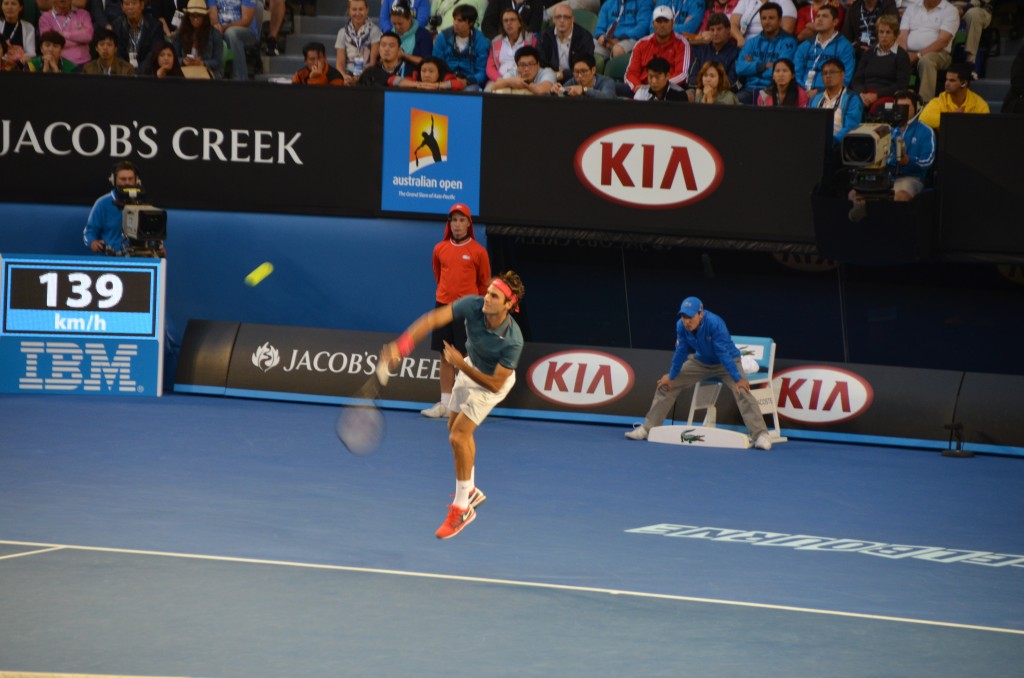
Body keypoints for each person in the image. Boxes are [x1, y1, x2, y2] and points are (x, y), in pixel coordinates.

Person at [382, 271, 526, 540]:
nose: (487, 298)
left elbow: (495, 385)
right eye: (488, 292)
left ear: (508, 304)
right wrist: (401, 346)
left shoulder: (513, 340)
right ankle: (470, 489)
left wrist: (459, 364)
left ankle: (462, 508)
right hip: (470, 366)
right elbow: (432, 319)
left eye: (494, 296)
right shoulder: (473, 305)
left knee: (459, 435)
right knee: (454, 427)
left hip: (492, 382)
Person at [624, 296, 772, 451]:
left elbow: (723, 353)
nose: (686, 321)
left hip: (726, 362)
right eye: (683, 316)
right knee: (666, 385)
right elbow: (681, 352)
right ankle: (647, 428)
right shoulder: (681, 326)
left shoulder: (715, 323)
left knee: (742, 390)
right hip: (700, 362)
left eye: (690, 316)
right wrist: (672, 376)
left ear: (700, 314)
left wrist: (737, 378)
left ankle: (761, 435)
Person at [420, 204, 492, 419]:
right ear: (449, 224)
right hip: (443, 307)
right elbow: (438, 276)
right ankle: (444, 404)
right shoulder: (439, 249)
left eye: (462, 220)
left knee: (469, 359)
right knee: (445, 357)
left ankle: (470, 405)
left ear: (469, 223)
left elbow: (485, 284)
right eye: (454, 220)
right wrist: (447, 297)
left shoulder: (478, 251)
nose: (457, 225)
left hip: (467, 311)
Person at [84, 161, 165, 257]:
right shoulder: (102, 203)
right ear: (114, 180)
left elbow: (153, 233)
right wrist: (92, 242)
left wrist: (159, 248)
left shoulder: (144, 204)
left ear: (137, 180)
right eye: (123, 179)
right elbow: (89, 231)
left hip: (137, 259)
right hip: (109, 259)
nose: (127, 182)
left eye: (130, 179)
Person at [897, 0, 959, 102]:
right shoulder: (912, 9)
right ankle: (894, 101)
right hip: (909, 52)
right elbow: (902, 36)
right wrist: (904, 55)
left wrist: (918, 55)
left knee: (926, 61)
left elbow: (943, 41)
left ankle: (925, 105)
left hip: (939, 53)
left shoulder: (950, 10)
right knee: (891, 57)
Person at [735, 2, 796, 103]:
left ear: (780, 20)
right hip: (750, 88)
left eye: (771, 18)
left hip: (773, 89)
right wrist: (764, 65)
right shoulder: (752, 42)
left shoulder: (788, 42)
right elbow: (739, 68)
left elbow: (782, 70)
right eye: (764, 18)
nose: (767, 22)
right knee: (732, 103)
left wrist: (753, 65)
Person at [849, 14, 909, 112]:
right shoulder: (868, 53)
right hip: (865, 95)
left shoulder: (901, 56)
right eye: (881, 32)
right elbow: (856, 80)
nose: (884, 36)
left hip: (886, 95)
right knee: (851, 104)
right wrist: (862, 94)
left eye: (888, 32)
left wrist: (876, 95)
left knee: (877, 108)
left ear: (895, 35)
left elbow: (901, 84)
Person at [793, 4, 855, 98]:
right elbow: (796, 72)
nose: (819, 19)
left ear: (835, 22)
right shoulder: (804, 46)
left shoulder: (845, 47)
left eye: (825, 16)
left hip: (830, 94)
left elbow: (845, 78)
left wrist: (820, 92)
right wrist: (803, 92)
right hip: (803, 94)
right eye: (818, 16)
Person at [625, 5, 691, 93]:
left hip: (668, 90)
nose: (662, 25)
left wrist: (659, 86)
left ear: (673, 23)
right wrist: (637, 87)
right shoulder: (641, 43)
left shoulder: (682, 43)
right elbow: (631, 73)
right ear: (653, 24)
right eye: (658, 21)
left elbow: (682, 74)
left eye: (666, 21)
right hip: (640, 88)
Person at [431, 3, 488, 90]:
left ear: (471, 23)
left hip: (469, 82)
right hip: (446, 79)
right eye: (454, 19)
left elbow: (482, 71)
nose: (455, 23)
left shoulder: (481, 41)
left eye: (460, 21)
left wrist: (467, 81)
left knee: (471, 90)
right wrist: (447, 79)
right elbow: (436, 63)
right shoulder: (443, 37)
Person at [918, 62, 990, 129]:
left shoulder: (979, 104)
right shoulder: (940, 100)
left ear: (964, 83)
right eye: (946, 79)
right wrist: (951, 117)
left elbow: (985, 126)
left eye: (952, 80)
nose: (947, 83)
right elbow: (923, 118)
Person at [538, 1, 593, 84]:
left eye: (566, 17)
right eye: (558, 17)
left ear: (572, 19)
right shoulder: (545, 36)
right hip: (550, 80)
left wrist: (562, 75)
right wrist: (550, 75)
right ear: (553, 19)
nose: (562, 20)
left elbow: (585, 66)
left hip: (577, 80)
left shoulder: (584, 37)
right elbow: (540, 62)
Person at [809, 57, 863, 142]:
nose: (828, 76)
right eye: (825, 73)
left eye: (832, 72)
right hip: (814, 143)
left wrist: (832, 141)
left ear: (842, 74)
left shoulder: (852, 98)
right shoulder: (815, 98)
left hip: (838, 146)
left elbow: (851, 128)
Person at [686, 12, 738, 96]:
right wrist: (703, 89)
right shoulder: (700, 51)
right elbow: (692, 78)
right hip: (699, 91)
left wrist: (712, 90)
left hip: (723, 93)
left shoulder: (735, 53)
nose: (715, 33)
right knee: (687, 95)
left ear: (728, 30)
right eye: (712, 30)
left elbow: (732, 81)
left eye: (719, 29)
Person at [210, 0, 258, 81]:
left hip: (246, 33)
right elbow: (213, 18)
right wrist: (217, 27)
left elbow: (246, 20)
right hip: (221, 32)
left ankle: (240, 80)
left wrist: (223, 28)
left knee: (231, 33)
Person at [485, 7, 536, 83]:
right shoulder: (496, 42)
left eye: (512, 20)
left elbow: (534, 65)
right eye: (505, 21)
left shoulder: (530, 40)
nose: (509, 23)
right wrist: (501, 80)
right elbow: (490, 68)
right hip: (499, 80)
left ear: (519, 23)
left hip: (523, 80)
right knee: (488, 91)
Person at [173, 0, 223, 78]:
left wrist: (202, 63)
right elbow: (174, 58)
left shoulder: (215, 34)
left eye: (199, 15)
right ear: (188, 16)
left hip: (207, 71)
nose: (195, 19)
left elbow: (218, 61)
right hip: (185, 71)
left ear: (205, 17)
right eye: (192, 15)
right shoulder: (179, 34)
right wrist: (183, 61)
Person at [335, 0, 380, 83]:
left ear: (367, 10)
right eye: (354, 9)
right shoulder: (342, 32)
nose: (358, 13)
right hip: (348, 75)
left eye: (361, 9)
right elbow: (340, 62)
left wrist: (360, 77)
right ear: (349, 11)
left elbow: (373, 63)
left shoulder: (375, 31)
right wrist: (344, 76)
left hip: (368, 75)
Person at [111, 0, 162, 70]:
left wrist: (140, 72)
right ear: (122, 7)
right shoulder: (117, 25)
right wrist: (127, 70)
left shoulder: (155, 26)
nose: (130, 7)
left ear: (142, 5)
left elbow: (153, 53)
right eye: (127, 4)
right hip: (123, 72)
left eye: (134, 3)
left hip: (148, 73)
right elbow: (117, 52)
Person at [38, 0, 92, 65]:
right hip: (58, 63)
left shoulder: (83, 14)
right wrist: (79, 39)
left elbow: (88, 36)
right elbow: (49, 42)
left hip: (82, 62)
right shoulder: (45, 18)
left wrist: (63, 35)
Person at [486, 43, 556, 93]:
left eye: (530, 64)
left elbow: (542, 91)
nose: (526, 69)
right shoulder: (513, 73)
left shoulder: (547, 72)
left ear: (538, 65)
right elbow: (494, 87)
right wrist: (510, 81)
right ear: (517, 66)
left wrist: (523, 84)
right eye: (522, 65)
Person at [730, 0, 796, 48]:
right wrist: (739, 38)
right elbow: (732, 24)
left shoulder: (785, 2)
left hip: (771, 46)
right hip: (744, 45)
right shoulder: (746, 1)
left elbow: (788, 28)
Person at [388, 0, 432, 65]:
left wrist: (404, 55)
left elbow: (426, 62)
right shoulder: (389, 35)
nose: (397, 27)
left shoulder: (423, 35)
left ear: (409, 18)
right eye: (394, 24)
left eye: (400, 24)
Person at [392, 53, 466, 88]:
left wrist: (435, 85)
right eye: (423, 71)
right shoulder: (415, 78)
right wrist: (418, 84)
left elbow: (459, 84)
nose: (426, 75)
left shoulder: (447, 78)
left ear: (439, 72)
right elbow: (392, 80)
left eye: (431, 71)